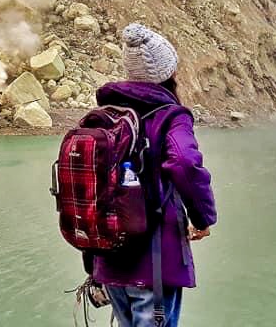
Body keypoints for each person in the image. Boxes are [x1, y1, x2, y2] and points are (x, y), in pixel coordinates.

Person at [85, 23, 217, 327]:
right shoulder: (170, 116)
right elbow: (184, 162)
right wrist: (202, 218)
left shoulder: (106, 115)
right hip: (153, 262)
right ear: (168, 72)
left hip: (109, 259)